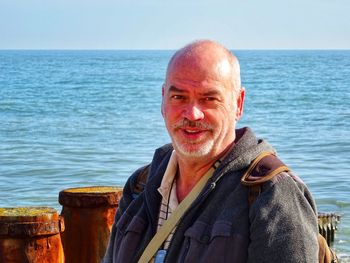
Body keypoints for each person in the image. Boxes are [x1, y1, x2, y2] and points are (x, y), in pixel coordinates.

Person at [103, 40, 319, 262]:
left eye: (209, 99)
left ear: (238, 104)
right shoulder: (141, 185)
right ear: (163, 100)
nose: (192, 114)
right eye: (179, 97)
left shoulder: (271, 194)